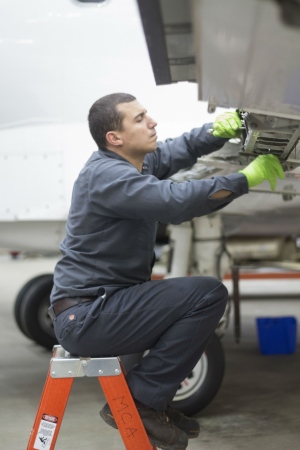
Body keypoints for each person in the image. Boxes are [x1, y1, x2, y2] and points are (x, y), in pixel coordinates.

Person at [49, 93, 284, 450]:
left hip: (100, 306)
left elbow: (176, 151)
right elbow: (177, 202)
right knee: (207, 294)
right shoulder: (108, 176)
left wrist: (216, 131)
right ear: (115, 138)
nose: (152, 122)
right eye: (140, 118)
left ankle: (150, 401)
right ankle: (143, 402)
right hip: (88, 315)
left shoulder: (129, 165)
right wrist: (244, 179)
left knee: (185, 307)